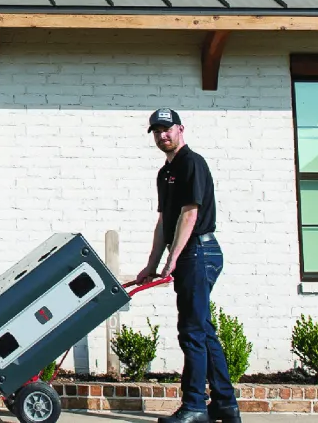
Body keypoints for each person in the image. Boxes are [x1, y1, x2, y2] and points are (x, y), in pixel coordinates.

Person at [134, 108, 239, 423]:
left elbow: (190, 213)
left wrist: (173, 258)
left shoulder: (192, 163)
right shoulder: (164, 173)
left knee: (191, 331)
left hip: (199, 252)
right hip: (190, 253)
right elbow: (165, 219)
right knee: (202, 330)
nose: (162, 135)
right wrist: (151, 264)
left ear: (180, 129)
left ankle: (195, 407)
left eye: (167, 129)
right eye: (156, 131)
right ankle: (225, 404)